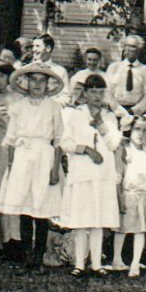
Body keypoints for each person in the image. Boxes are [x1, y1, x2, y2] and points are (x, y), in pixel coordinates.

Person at [0, 62, 64, 270]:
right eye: (33, 80)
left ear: (47, 84)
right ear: (26, 82)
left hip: (44, 157)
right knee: (25, 211)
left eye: (42, 81)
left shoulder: (54, 107)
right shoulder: (18, 107)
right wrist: (11, 166)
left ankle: (39, 258)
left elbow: (59, 139)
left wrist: (54, 170)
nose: (37, 84)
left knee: (41, 212)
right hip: (23, 158)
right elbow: (12, 138)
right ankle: (26, 258)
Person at [56, 75, 121, 276]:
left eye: (101, 92)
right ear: (84, 93)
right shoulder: (75, 115)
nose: (97, 96)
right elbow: (65, 143)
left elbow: (113, 144)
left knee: (97, 220)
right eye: (92, 91)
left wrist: (101, 124)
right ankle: (79, 264)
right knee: (81, 220)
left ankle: (96, 264)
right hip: (82, 173)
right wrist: (85, 149)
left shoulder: (109, 117)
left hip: (102, 174)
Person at [116, 116, 146, 277]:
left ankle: (135, 263)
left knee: (141, 229)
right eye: (137, 129)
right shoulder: (124, 150)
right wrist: (120, 196)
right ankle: (117, 260)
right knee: (122, 228)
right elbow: (119, 175)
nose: (140, 134)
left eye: (144, 130)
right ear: (130, 130)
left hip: (145, 195)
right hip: (129, 193)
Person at [106, 35, 146, 114]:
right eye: (127, 46)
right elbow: (108, 92)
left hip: (136, 111)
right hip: (115, 110)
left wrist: (135, 110)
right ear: (123, 48)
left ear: (139, 49)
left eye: (133, 46)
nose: (130, 49)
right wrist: (117, 109)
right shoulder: (113, 67)